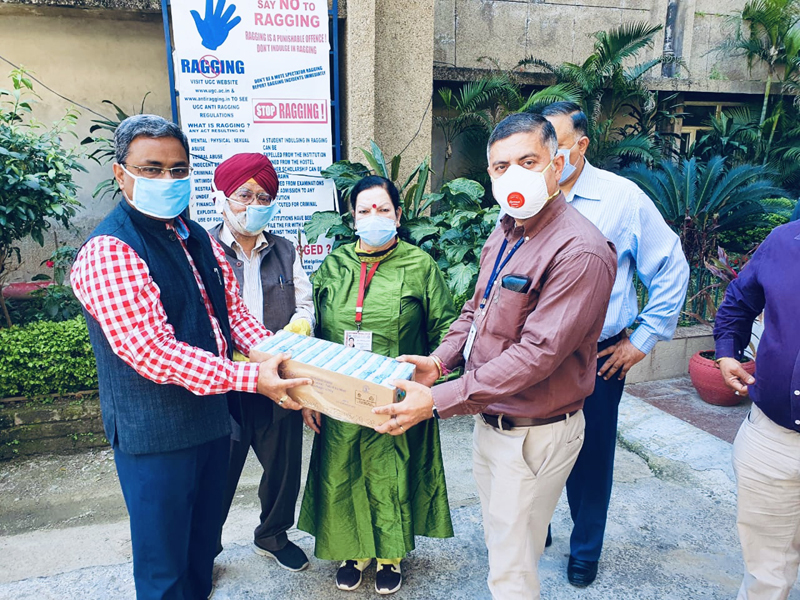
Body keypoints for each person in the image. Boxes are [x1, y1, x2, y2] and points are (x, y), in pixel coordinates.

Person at [377, 112, 617, 600]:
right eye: (501, 166)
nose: (514, 176)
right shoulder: (507, 229)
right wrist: (440, 361)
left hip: (533, 435)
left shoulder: (580, 251)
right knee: (506, 549)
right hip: (493, 422)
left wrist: (439, 399)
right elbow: (477, 308)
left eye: (528, 161)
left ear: (559, 163)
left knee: (511, 572)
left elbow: (536, 357)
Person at [70, 115, 310, 600]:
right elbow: (154, 353)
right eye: (152, 169)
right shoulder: (110, 250)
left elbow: (235, 320)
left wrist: (286, 362)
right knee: (165, 568)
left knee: (200, 553)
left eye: (178, 170)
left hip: (209, 424)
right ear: (121, 174)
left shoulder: (196, 237)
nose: (168, 180)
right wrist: (253, 379)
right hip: (155, 436)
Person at [539, 101, 689, 586]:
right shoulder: (523, 194)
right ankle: (534, 525)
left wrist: (642, 339)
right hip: (532, 355)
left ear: (581, 145)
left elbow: (670, 267)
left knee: (591, 454)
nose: (544, 158)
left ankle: (585, 548)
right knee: (530, 446)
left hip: (595, 355)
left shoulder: (622, 199)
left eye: (554, 147)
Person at [297, 175, 457, 595]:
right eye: (364, 210)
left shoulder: (420, 265)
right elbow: (311, 333)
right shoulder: (333, 266)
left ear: (399, 216)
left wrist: (435, 375)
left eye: (383, 209)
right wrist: (308, 393)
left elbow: (447, 330)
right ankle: (354, 551)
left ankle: (390, 555)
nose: (374, 217)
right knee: (342, 470)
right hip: (339, 397)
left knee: (391, 473)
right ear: (352, 218)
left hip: (395, 398)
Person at [208, 153, 315, 572]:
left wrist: (296, 331)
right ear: (221, 198)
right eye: (243, 195)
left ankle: (272, 534)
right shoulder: (203, 249)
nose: (253, 204)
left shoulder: (286, 250)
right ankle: (206, 549)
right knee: (217, 472)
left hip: (280, 377)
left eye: (263, 196)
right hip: (225, 384)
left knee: (284, 467)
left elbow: (304, 305)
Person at [713, 219, 800, 600]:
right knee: (766, 576)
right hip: (772, 440)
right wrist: (727, 351)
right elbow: (740, 299)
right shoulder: (785, 240)